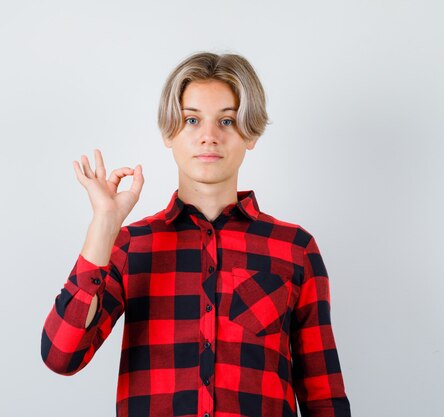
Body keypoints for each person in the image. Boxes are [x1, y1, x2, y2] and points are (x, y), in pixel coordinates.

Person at [41, 51, 351, 417]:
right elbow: (62, 355)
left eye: (227, 121)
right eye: (191, 120)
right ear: (169, 133)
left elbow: (323, 396)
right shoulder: (131, 245)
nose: (209, 137)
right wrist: (105, 224)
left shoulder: (294, 249)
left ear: (250, 134)